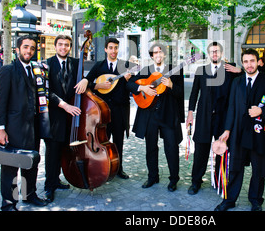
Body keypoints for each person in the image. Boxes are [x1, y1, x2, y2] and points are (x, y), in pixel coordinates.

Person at [214, 49, 265, 211]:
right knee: (235, 168)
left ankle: (256, 200)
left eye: (252, 61)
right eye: (245, 62)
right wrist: (227, 130)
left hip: (260, 133)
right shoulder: (236, 82)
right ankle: (229, 199)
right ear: (242, 63)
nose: (249, 65)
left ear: (258, 62)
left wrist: (263, 111)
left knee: (259, 169)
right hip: (238, 132)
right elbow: (231, 107)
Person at [0, 35, 49, 211]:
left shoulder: (36, 69)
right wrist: (1, 129)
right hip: (14, 127)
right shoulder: (8, 70)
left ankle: (29, 194)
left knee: (31, 162)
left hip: (33, 127)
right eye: (26, 47)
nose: (29, 51)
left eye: (32, 48)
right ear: (18, 49)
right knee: (11, 166)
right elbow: (0, 101)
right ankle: (9, 203)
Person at [127, 43, 185, 192]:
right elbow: (130, 84)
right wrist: (143, 88)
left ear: (164, 54)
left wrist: (171, 85)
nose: (158, 55)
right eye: (155, 53)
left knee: (171, 147)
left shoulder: (174, 70)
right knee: (150, 147)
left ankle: (173, 179)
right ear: (152, 56)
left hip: (168, 114)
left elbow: (180, 93)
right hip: (150, 114)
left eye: (160, 52)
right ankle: (153, 176)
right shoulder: (146, 70)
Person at [186, 42, 242, 195]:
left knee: (221, 150)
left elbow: (246, 82)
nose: (214, 54)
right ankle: (196, 182)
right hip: (204, 117)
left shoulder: (230, 69)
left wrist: (240, 71)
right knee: (200, 152)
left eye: (217, 51)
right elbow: (194, 93)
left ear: (221, 53)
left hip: (223, 119)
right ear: (209, 54)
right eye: (212, 51)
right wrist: (190, 112)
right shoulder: (201, 70)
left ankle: (220, 181)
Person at [75, 38, 135, 179]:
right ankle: (104, 167)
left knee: (118, 141)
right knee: (103, 140)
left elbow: (134, 84)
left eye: (116, 48)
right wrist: (98, 86)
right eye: (111, 48)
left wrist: (129, 79)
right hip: (103, 112)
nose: (113, 51)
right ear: (106, 49)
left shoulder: (125, 65)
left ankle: (119, 168)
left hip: (120, 111)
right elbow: (88, 82)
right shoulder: (99, 66)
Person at [44, 35, 81, 202]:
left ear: (70, 47)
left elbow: (80, 83)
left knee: (64, 150)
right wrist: (64, 105)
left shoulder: (75, 63)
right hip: (55, 116)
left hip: (71, 118)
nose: (63, 48)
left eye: (67, 45)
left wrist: (88, 81)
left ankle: (57, 180)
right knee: (52, 153)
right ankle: (49, 185)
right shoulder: (47, 64)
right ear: (55, 46)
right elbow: (45, 91)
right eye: (60, 45)